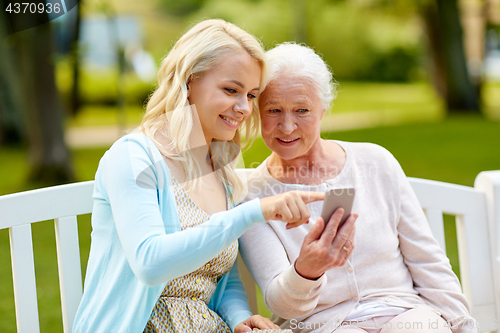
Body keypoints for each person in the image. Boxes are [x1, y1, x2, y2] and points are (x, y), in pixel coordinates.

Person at [72, 21, 325, 333]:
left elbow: (220, 273)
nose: (244, 108)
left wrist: (239, 318)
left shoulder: (220, 166)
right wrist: (253, 212)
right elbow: (150, 264)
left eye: (251, 95)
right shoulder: (133, 157)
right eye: (231, 90)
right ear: (189, 81)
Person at [239, 43, 477, 333]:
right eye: (274, 110)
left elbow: (428, 262)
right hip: (324, 325)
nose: (287, 126)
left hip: (404, 312)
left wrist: (462, 326)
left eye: (302, 110)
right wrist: (307, 271)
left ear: (323, 108)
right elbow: (283, 306)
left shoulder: (375, 162)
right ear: (257, 112)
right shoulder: (252, 194)